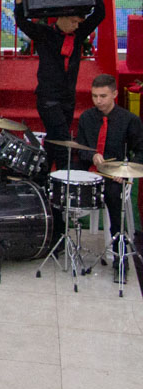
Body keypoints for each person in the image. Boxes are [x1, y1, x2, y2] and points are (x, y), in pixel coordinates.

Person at [15, 0, 104, 176]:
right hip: (48, 98)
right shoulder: (45, 34)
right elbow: (21, 21)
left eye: (77, 22)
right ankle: (64, 182)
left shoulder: (78, 33)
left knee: (54, 142)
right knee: (63, 141)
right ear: (62, 19)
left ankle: (42, 180)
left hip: (67, 98)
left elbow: (99, 14)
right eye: (72, 21)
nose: (76, 25)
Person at [74, 73, 143, 277]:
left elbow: (140, 151)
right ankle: (67, 243)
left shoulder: (129, 120)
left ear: (114, 94)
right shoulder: (87, 118)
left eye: (103, 96)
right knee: (66, 186)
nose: (98, 101)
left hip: (115, 175)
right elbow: (80, 148)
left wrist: (126, 170)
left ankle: (120, 256)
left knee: (114, 197)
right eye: (95, 96)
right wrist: (92, 155)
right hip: (91, 170)